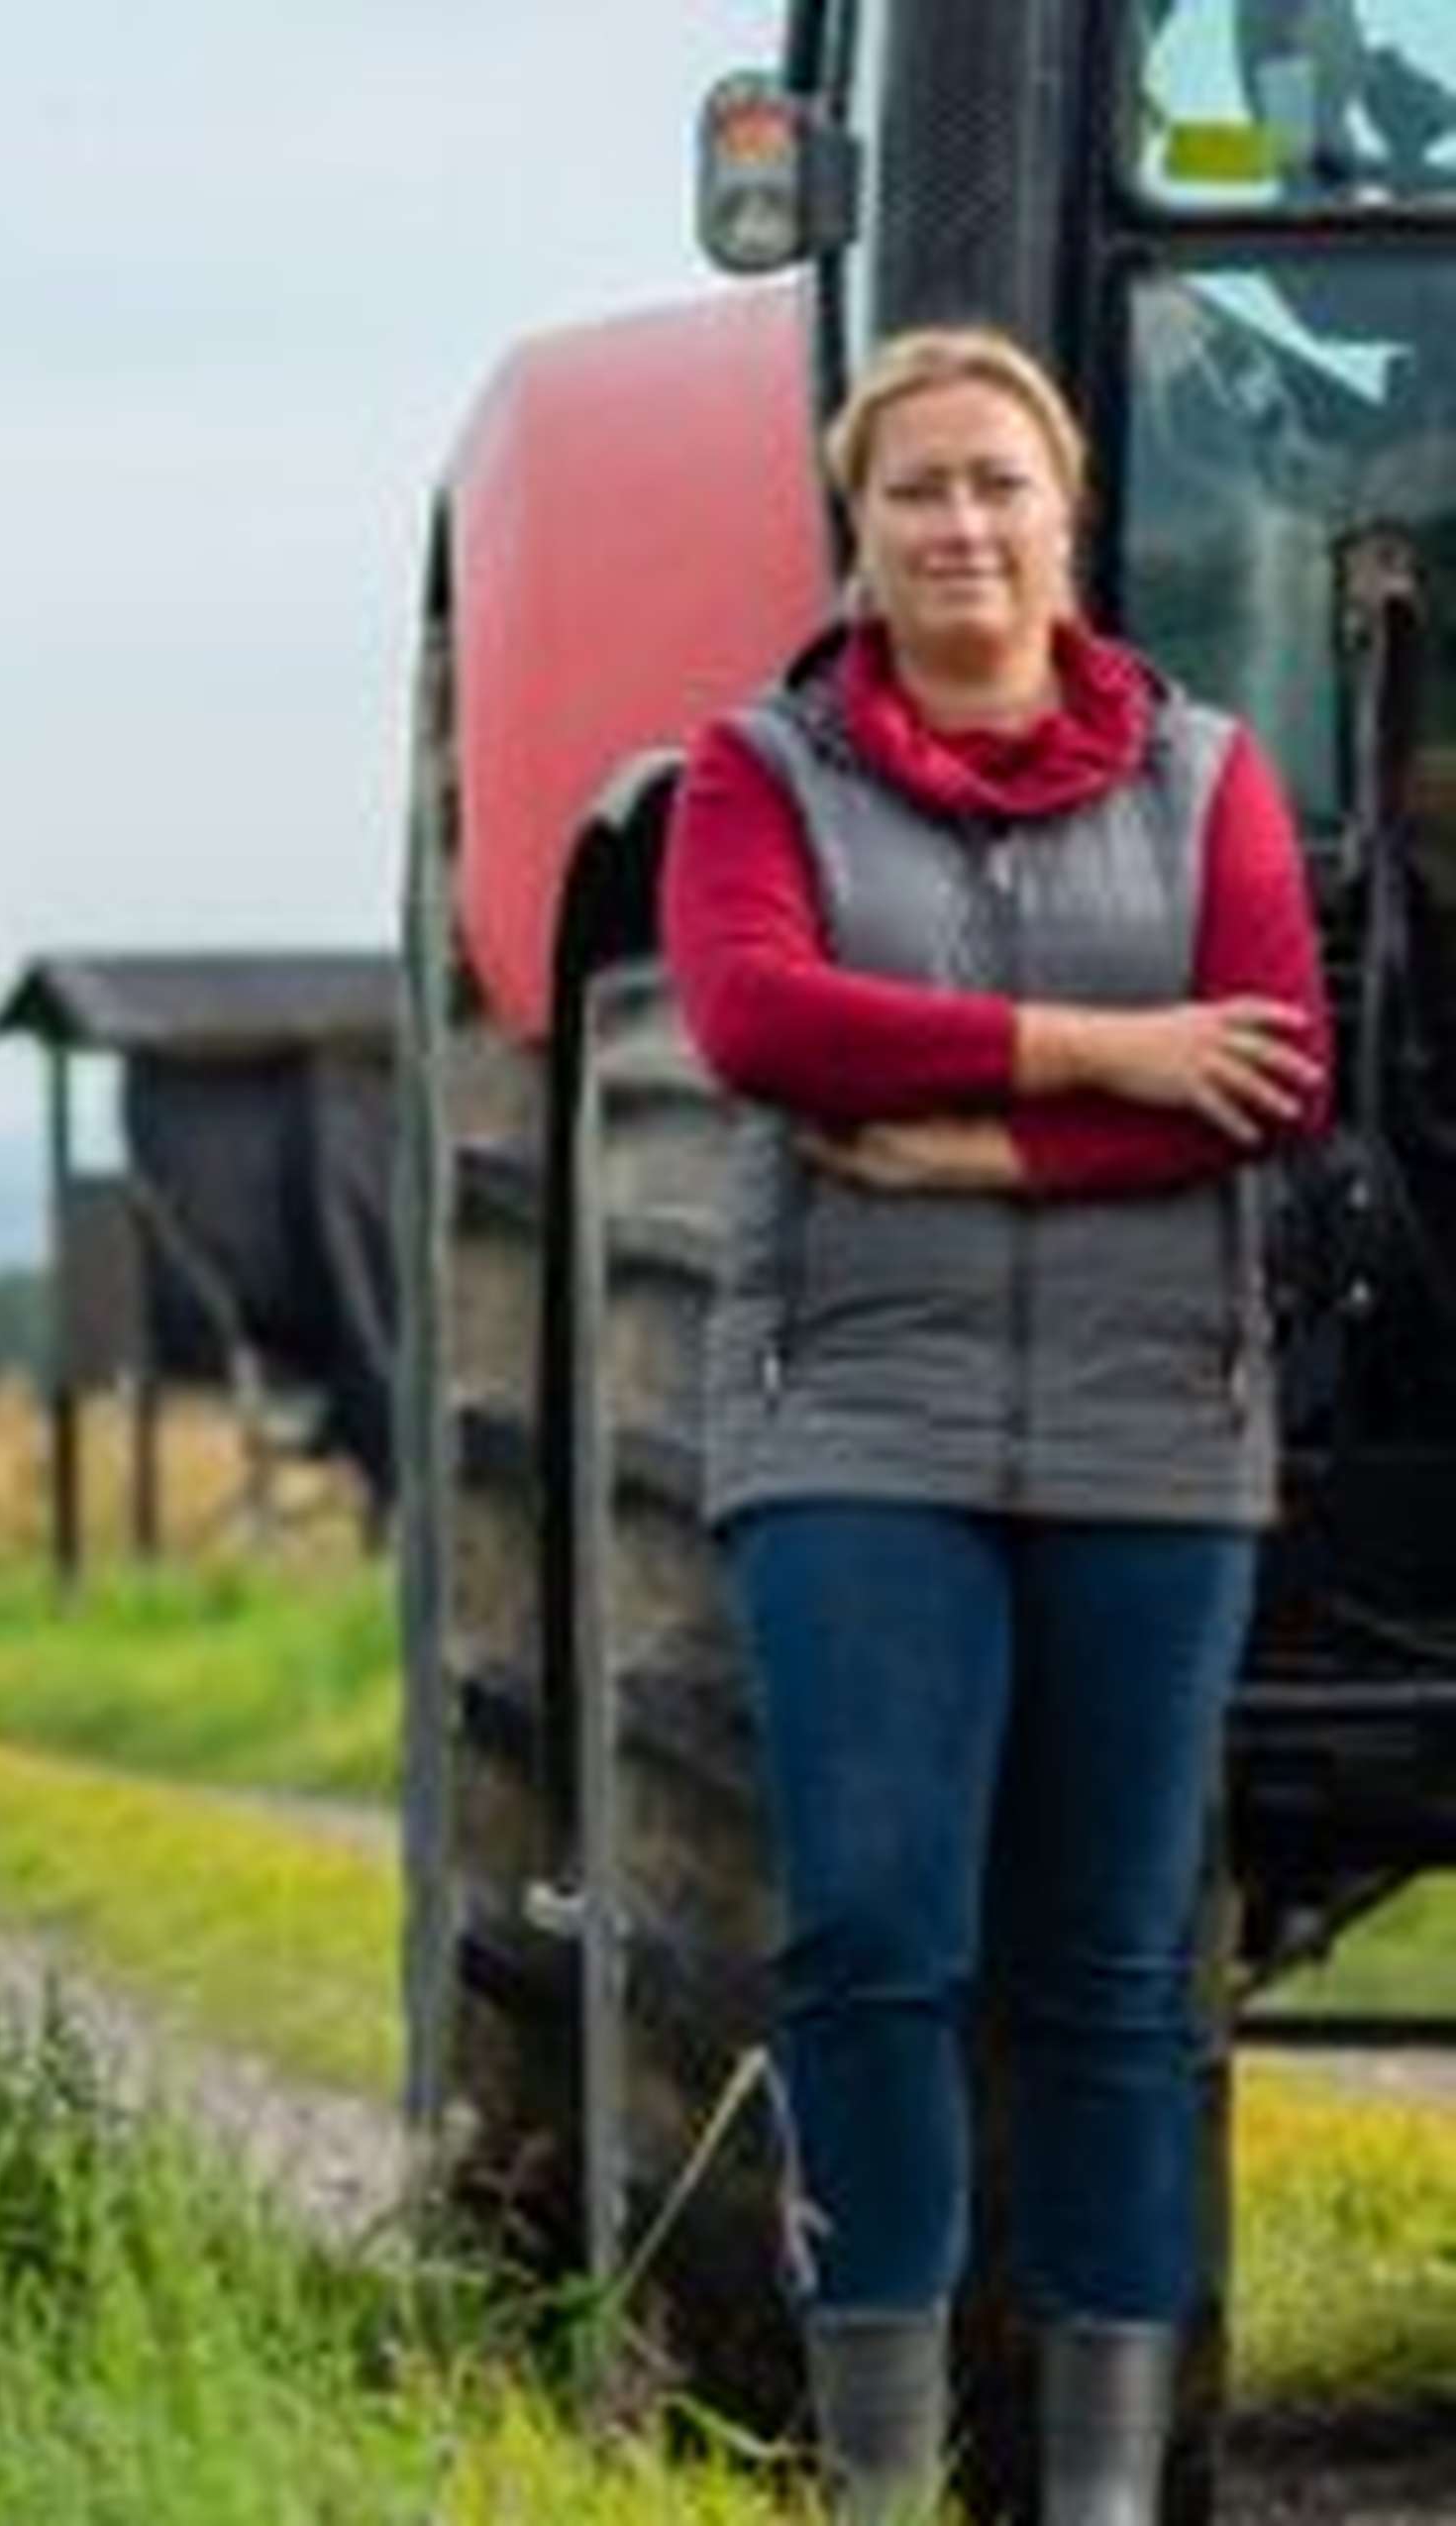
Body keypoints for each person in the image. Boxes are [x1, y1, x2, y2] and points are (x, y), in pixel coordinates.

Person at [659, 326, 1332, 2525]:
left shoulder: (1208, 769)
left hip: (1156, 1425)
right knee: (871, 1928)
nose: (962, 526)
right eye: (918, 490)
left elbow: (1274, 1076)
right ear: (862, 532)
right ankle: (876, 2486)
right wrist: (1105, 1049)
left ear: (1072, 518)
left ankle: (1104, 2498)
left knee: (1119, 1967)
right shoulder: (761, 775)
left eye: (998, 487)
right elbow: (765, 1017)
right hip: (853, 1413)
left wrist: (985, 1142)